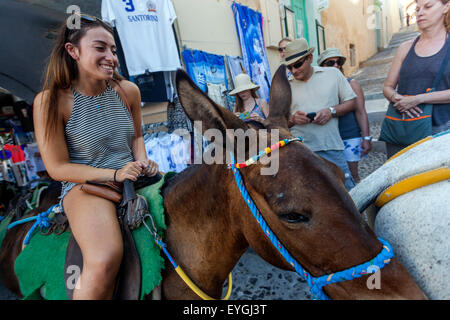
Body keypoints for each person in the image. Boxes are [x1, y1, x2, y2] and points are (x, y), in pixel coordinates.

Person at [33, 14, 159, 300]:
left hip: (131, 175)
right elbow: (57, 167)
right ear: (73, 51)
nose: (111, 57)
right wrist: (114, 174)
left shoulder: (128, 91)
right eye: (100, 48)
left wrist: (143, 160)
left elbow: (137, 137)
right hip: (86, 186)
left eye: (113, 50)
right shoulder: (51, 101)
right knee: (105, 258)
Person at [283, 38, 357, 190]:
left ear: (309, 58)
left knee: (347, 193)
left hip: (331, 146)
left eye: (297, 64)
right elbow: (278, 122)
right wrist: (293, 119)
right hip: (301, 151)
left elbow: (351, 102)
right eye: (290, 67)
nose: (294, 70)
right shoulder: (286, 86)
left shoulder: (333, 74)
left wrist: (331, 111)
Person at [382, 0, 450, 158]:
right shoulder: (405, 48)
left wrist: (417, 99)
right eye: (417, 8)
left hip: (442, 131)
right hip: (403, 130)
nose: (419, 12)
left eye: (428, 6)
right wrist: (396, 97)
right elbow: (387, 87)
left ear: (446, 7)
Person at [318, 48, 372, 183]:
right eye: (331, 63)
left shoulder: (351, 84)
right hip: (328, 140)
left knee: (352, 176)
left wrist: (366, 137)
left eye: (339, 62)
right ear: (322, 67)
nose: (336, 65)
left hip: (349, 136)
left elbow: (360, 111)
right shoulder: (318, 87)